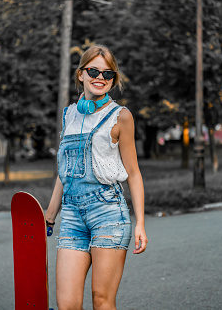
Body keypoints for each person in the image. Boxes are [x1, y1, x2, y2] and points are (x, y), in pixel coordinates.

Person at [44, 45, 147, 310]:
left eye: (107, 74)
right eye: (93, 71)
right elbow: (65, 170)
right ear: (81, 74)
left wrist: (140, 223)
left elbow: (133, 173)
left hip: (109, 214)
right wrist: (50, 213)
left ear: (113, 79)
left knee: (102, 301)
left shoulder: (120, 117)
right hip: (71, 216)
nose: (100, 78)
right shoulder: (69, 115)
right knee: (66, 304)